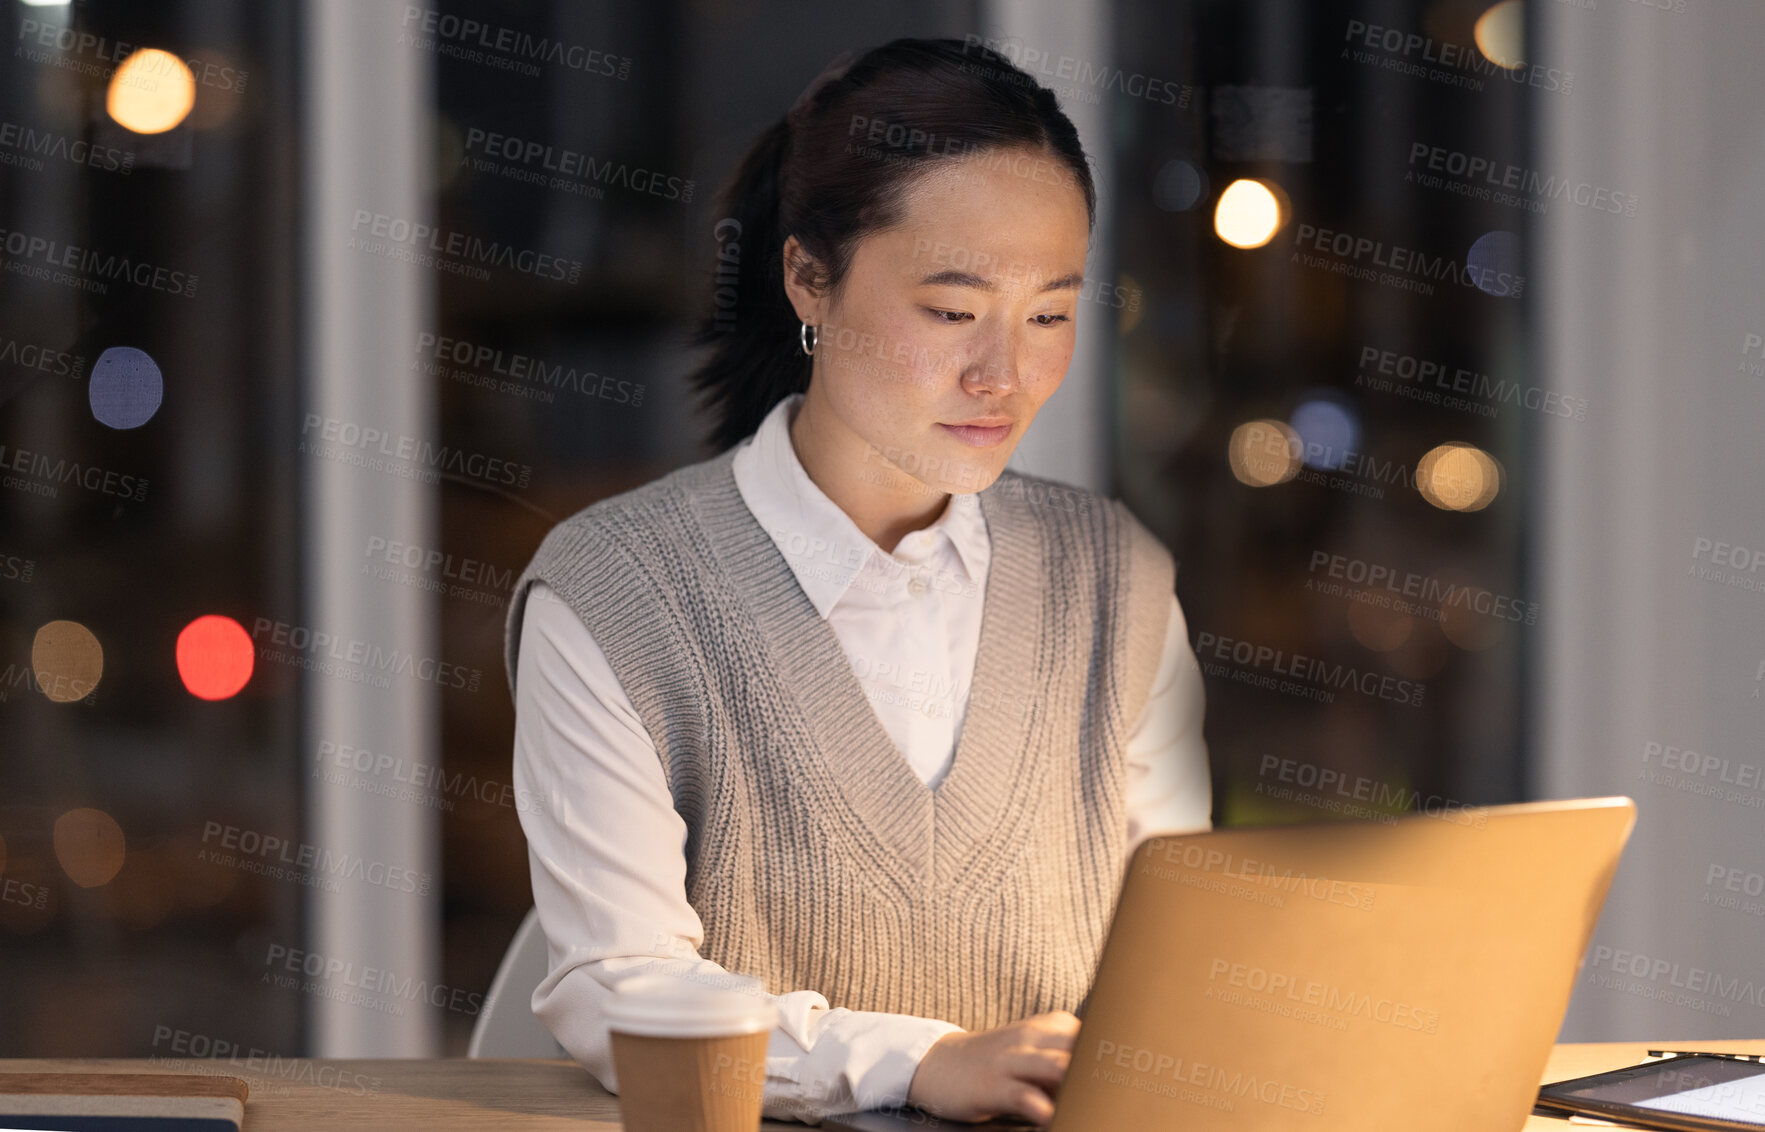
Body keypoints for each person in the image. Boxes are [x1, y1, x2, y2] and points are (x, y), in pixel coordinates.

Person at [504, 36, 1210, 1126]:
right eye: (949, 309)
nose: (1004, 375)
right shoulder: (618, 592)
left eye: (1050, 314)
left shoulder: (1111, 575)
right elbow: (619, 983)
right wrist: (916, 1062)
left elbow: (1175, 951)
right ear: (806, 277)